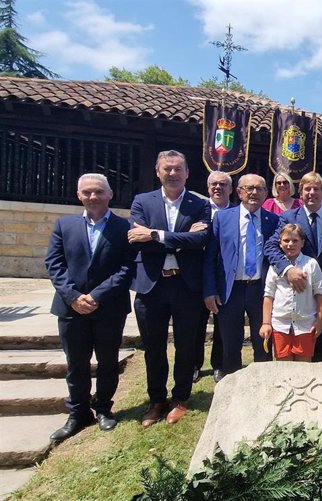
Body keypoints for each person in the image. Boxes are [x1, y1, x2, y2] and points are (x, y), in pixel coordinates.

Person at [44, 174, 134, 441]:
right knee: (76, 364)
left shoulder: (123, 227)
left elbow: (126, 267)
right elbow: (54, 264)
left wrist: (96, 296)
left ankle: (104, 408)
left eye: (98, 192)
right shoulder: (64, 225)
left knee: (107, 362)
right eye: (87, 192)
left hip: (108, 308)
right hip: (70, 309)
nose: (93, 196)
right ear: (79, 195)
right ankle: (79, 412)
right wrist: (73, 296)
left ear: (109, 195)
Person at [128, 150, 211, 427]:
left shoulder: (199, 204)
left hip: (186, 286)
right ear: (158, 171)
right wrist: (181, 237)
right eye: (167, 169)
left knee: (186, 345)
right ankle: (156, 400)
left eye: (178, 169)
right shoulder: (142, 201)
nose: (172, 173)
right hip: (152, 285)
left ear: (187, 173)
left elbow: (200, 239)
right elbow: (134, 237)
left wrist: (155, 234)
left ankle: (181, 398)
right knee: (153, 347)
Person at [203, 174, 279, 375]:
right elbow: (210, 257)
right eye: (249, 188)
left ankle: (263, 384)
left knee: (262, 339)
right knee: (230, 342)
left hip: (260, 290)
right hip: (231, 290)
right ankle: (231, 384)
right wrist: (209, 291)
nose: (254, 192)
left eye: (260, 189)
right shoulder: (223, 217)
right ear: (239, 192)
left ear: (266, 193)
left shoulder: (273, 220)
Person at [265, 172, 322, 362]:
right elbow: (270, 247)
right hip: (292, 289)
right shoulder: (288, 217)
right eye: (307, 189)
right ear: (300, 193)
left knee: (317, 338)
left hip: (320, 292)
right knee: (289, 346)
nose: (311, 193)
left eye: (316, 189)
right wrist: (288, 270)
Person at [260, 224, 322, 361]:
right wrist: (266, 323)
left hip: (305, 325)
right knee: (283, 368)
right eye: (286, 240)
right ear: (280, 242)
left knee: (303, 369)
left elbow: (320, 294)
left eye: (295, 241)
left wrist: (319, 321)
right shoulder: (275, 267)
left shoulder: (311, 264)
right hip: (280, 325)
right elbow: (268, 296)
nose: (290, 244)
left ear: (302, 243)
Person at [193, 171, 232, 384]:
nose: (218, 187)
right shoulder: (197, 210)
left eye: (223, 184)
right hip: (195, 275)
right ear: (208, 188)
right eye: (214, 184)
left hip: (224, 276)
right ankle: (194, 364)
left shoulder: (237, 211)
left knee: (222, 324)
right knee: (196, 323)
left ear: (230, 189)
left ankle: (218, 364)